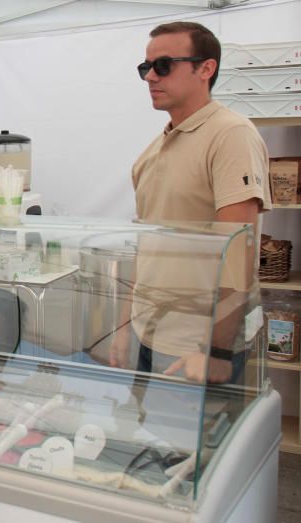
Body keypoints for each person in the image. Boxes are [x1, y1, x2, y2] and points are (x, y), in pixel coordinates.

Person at [110, 21, 270, 384]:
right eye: (145, 67)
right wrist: (123, 327)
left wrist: (216, 352)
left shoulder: (230, 135)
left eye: (163, 66)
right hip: (150, 332)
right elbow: (144, 246)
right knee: (151, 436)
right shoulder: (156, 147)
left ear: (206, 68)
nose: (151, 76)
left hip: (196, 344)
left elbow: (238, 254)